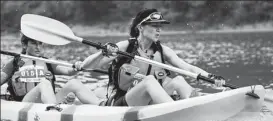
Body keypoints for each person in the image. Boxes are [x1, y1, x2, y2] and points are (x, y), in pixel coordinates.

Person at [81, 8, 225, 106]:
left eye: (160, 26)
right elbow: (86, 67)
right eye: (154, 25)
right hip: (123, 102)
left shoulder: (162, 50)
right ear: (141, 27)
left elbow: (187, 67)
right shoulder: (125, 46)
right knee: (149, 80)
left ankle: (198, 108)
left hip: (151, 102)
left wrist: (212, 77)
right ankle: (174, 111)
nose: (159, 29)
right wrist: (102, 52)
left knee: (179, 80)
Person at [0, 33, 105, 105]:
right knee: (44, 83)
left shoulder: (48, 63)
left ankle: (101, 105)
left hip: (48, 103)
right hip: (25, 104)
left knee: (74, 83)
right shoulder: (14, 63)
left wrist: (77, 67)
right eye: (33, 43)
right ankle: (54, 112)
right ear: (24, 45)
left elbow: (69, 71)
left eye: (40, 43)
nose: (38, 47)